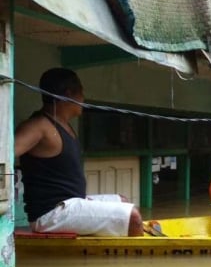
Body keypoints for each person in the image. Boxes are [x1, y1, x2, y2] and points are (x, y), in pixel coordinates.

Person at [14, 68, 143, 236]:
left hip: (70, 203)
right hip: (50, 214)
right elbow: (5, 152)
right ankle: (140, 259)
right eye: (81, 93)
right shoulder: (38, 126)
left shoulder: (63, 125)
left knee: (122, 201)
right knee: (133, 217)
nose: (83, 99)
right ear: (68, 94)